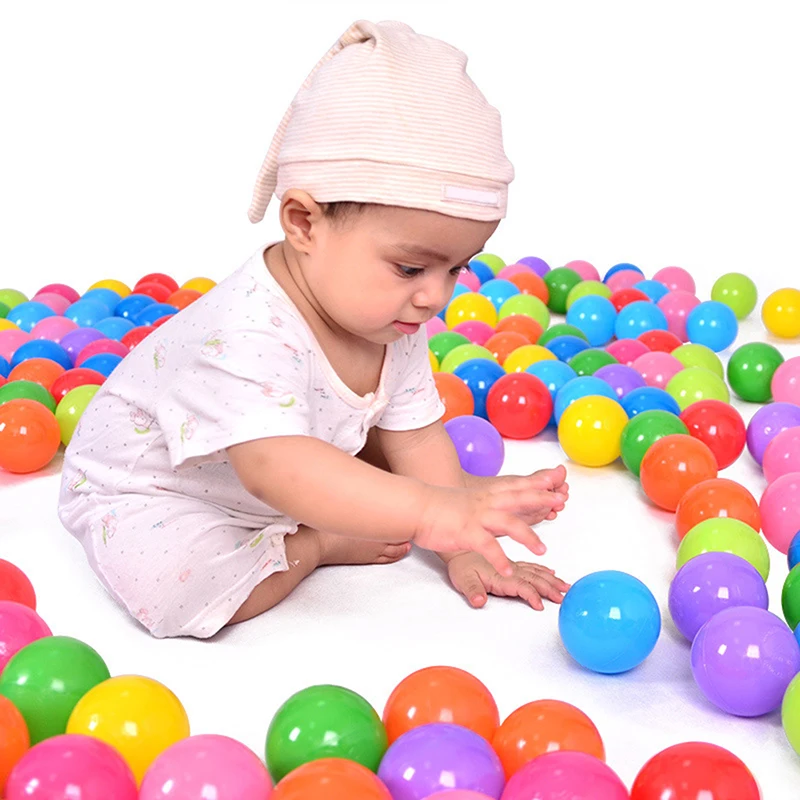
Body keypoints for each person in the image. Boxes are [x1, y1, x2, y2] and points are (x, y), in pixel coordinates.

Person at [58, 19, 570, 639]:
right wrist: (429, 510)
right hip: (161, 490)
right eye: (411, 267)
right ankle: (316, 540)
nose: (435, 296)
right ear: (303, 223)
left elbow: (413, 435)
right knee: (173, 586)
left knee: (394, 447)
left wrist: (465, 546)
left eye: (457, 267)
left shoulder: (388, 316)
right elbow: (274, 467)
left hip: (287, 464)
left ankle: (443, 500)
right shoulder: (248, 328)